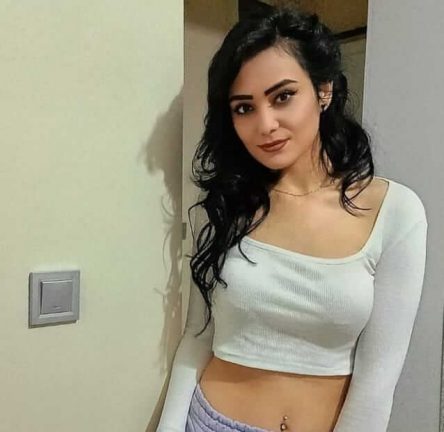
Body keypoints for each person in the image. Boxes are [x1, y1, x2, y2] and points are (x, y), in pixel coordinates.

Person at [157, 5, 428, 432]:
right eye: (243, 108)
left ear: (323, 91)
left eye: (282, 96)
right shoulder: (225, 207)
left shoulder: (395, 211)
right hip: (210, 422)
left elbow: (377, 383)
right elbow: (197, 337)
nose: (265, 124)